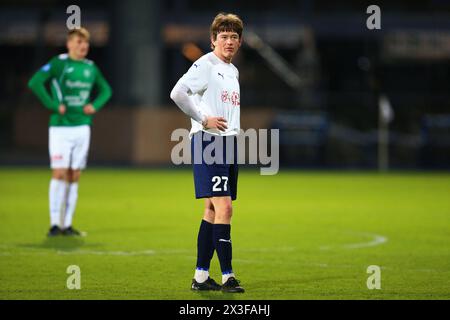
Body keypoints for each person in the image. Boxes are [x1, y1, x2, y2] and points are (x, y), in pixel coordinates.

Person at [170, 13, 245, 293]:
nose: (229, 41)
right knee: (225, 207)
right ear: (213, 39)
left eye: (234, 37)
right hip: (209, 142)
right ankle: (228, 277)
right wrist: (203, 118)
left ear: (240, 42)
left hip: (227, 144)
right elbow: (178, 93)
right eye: (223, 36)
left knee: (212, 209)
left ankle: (201, 277)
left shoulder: (232, 70)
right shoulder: (205, 64)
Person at [28, 27, 112, 237]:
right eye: (78, 42)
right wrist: (53, 105)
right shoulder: (59, 64)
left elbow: (106, 90)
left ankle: (67, 225)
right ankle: (54, 224)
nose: (82, 46)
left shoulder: (90, 67)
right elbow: (35, 82)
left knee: (75, 174)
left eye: (85, 43)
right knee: (59, 172)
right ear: (69, 44)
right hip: (60, 126)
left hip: (82, 126)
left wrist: (94, 106)